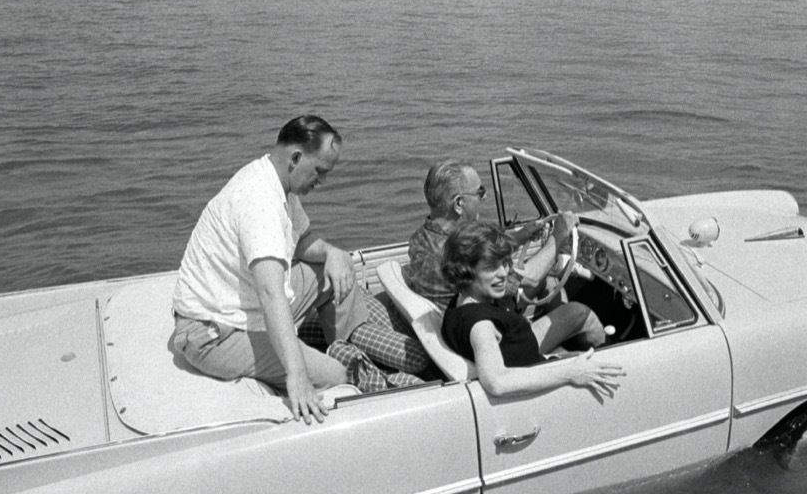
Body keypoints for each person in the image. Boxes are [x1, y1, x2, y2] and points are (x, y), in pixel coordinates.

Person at [171, 115, 423, 424]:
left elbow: (302, 240)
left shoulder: (277, 182)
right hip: (215, 333)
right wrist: (297, 375)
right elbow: (270, 293)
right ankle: (347, 369)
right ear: (295, 158)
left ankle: (353, 343)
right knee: (334, 374)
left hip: (241, 306)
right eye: (319, 171)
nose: (322, 182)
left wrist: (333, 253)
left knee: (334, 271)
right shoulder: (260, 201)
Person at [406, 159, 605, 348]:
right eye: (479, 192)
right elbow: (530, 276)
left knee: (550, 282)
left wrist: (520, 236)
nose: (484, 198)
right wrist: (559, 234)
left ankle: (560, 338)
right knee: (580, 312)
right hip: (499, 339)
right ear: (458, 204)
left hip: (468, 324)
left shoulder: (421, 238)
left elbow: (481, 250)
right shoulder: (459, 258)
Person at [440, 222, 624, 399]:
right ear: (466, 271)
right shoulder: (481, 326)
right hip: (537, 373)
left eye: (505, 263)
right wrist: (570, 373)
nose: (504, 273)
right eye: (491, 268)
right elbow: (497, 382)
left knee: (576, 311)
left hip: (523, 353)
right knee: (617, 367)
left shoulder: (460, 302)